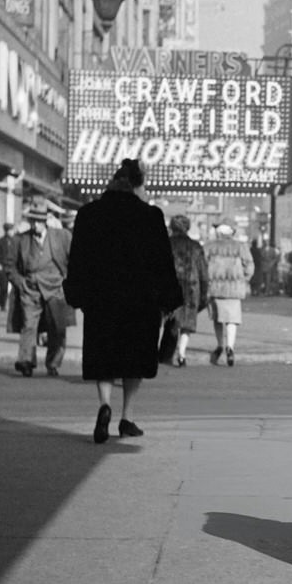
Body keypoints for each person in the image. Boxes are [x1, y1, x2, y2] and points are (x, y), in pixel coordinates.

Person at [63, 159, 182, 444]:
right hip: (140, 301)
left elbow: (77, 259)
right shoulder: (151, 216)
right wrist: (169, 299)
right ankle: (127, 418)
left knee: (103, 356)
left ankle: (104, 404)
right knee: (134, 359)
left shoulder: (88, 214)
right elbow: (162, 262)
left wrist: (78, 294)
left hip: (101, 299)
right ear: (138, 185)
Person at [11, 198, 72, 377]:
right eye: (33, 220)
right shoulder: (22, 240)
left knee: (58, 328)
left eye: (38, 221)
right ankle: (26, 361)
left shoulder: (61, 237)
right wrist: (20, 282)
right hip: (31, 289)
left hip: (55, 287)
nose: (35, 224)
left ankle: (53, 362)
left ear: (45, 222)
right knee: (28, 325)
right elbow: (10, 266)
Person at [204, 219, 254, 366]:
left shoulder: (209, 246)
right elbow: (249, 265)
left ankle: (219, 344)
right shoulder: (240, 246)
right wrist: (244, 279)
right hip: (234, 289)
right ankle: (230, 347)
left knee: (217, 319)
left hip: (215, 288)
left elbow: (202, 265)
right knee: (232, 319)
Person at [163, 214, 208, 367]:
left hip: (169, 286)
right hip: (191, 287)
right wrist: (204, 294)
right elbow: (203, 273)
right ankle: (182, 353)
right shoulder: (196, 247)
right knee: (187, 323)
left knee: (169, 320)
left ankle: (164, 353)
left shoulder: (165, 244)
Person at [0, 221, 17, 312]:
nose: (10, 232)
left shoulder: (15, 241)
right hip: (3, 266)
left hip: (12, 266)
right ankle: (2, 304)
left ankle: (13, 304)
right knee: (3, 287)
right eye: (9, 230)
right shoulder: (0, 241)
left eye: (11, 230)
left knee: (15, 286)